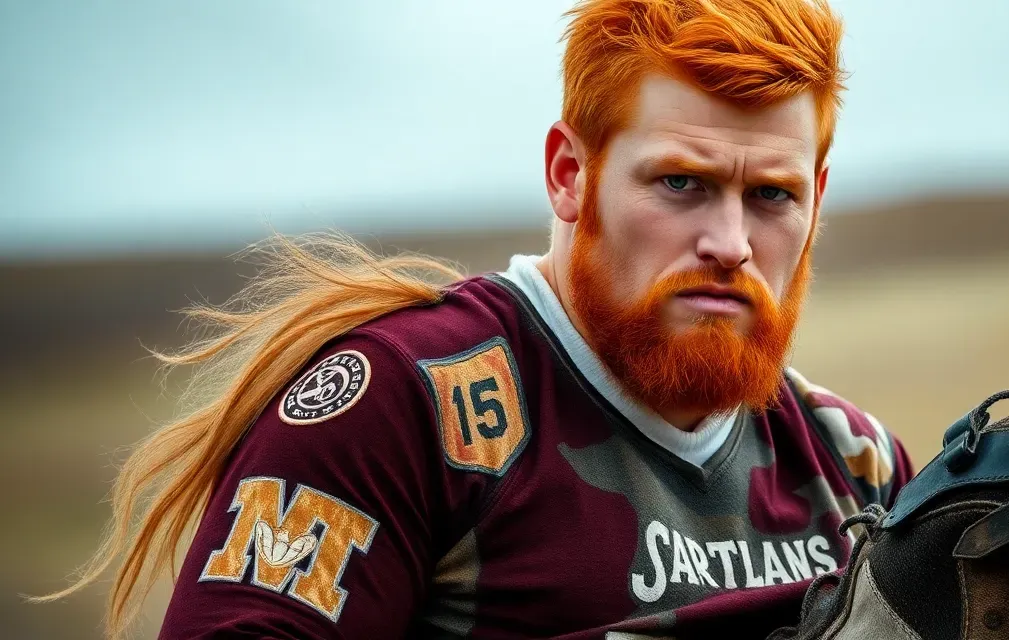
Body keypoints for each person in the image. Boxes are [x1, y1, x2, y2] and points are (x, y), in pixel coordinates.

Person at [43, 1, 914, 638]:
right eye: (681, 182)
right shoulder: (402, 407)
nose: (730, 241)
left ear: (817, 202)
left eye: (772, 196)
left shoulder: (856, 465)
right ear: (570, 175)